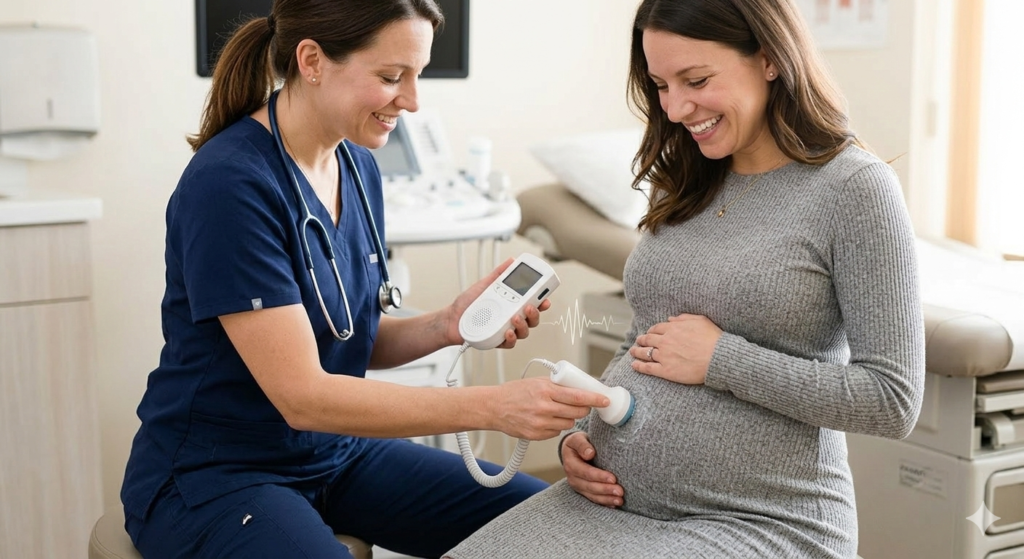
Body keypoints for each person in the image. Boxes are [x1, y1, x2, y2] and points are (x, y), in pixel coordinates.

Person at [118, 1, 609, 558]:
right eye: (390, 77)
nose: (413, 100)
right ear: (312, 61)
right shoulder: (230, 184)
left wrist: (447, 324)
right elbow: (303, 395)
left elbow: (348, 334)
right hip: (218, 473)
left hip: (335, 454)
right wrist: (494, 405)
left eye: (416, 76)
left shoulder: (355, 164)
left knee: (549, 527)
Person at [446, 0, 925, 557]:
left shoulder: (854, 190)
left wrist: (723, 359)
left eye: (695, 80)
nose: (674, 108)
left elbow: (893, 399)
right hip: (613, 501)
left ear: (769, 59)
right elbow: (647, 340)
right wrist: (586, 430)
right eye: (660, 85)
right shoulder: (687, 177)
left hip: (761, 520)